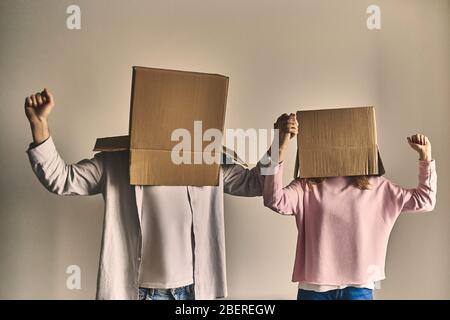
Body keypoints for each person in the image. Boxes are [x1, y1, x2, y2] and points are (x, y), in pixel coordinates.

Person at [25, 88, 267, 300]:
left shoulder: (208, 164)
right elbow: (62, 180)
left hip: (193, 290)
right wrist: (39, 124)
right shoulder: (116, 163)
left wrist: (280, 144)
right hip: (141, 292)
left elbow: (257, 184)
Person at [263, 113, 437, 300]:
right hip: (314, 289)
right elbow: (273, 199)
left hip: (359, 288)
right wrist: (279, 145)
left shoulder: (376, 185)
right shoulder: (307, 185)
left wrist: (425, 157)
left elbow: (425, 201)